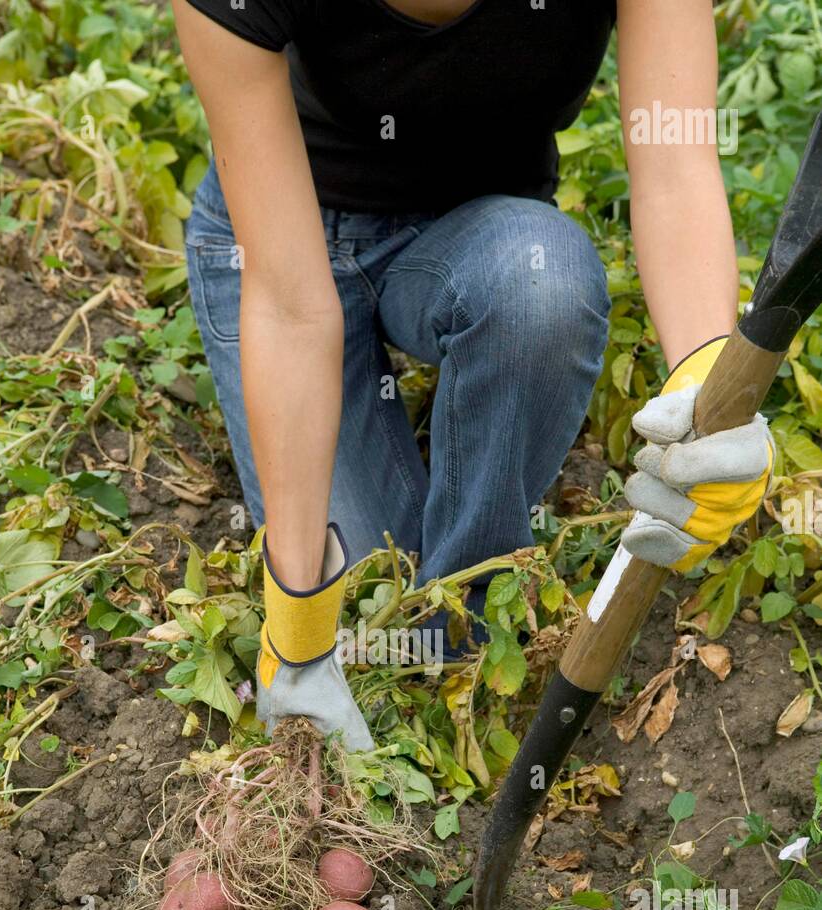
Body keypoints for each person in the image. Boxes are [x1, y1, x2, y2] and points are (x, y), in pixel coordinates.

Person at [172, 0, 771, 751]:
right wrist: (298, 633)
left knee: (539, 287)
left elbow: (676, 171)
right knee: (364, 598)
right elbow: (293, 312)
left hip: (489, 238)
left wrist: (710, 382)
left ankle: (463, 616)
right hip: (281, 241)